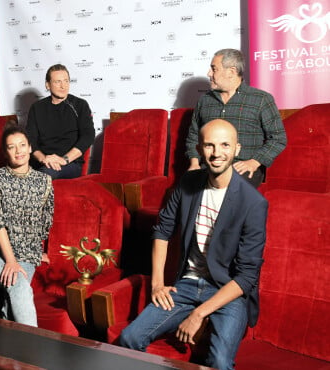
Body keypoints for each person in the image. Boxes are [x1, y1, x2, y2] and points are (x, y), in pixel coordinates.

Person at [119, 119, 268, 370]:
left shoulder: (253, 203)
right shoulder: (188, 183)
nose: (217, 153)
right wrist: (157, 285)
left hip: (227, 290)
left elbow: (246, 277)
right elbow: (162, 231)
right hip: (186, 285)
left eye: (224, 145)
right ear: (199, 150)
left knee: (220, 362)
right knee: (128, 339)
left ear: (237, 149)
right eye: (209, 145)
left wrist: (198, 314)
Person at [0, 124, 54, 326]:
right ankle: (35, 348)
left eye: (22, 145)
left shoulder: (44, 181)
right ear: (5, 151)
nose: (18, 151)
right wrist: (10, 260)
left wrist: (35, 251)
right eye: (11, 147)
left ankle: (9, 351)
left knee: (11, 297)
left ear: (30, 148)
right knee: (19, 286)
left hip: (26, 251)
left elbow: (43, 220)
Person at [185, 48, 287, 188]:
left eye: (214, 69)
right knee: (185, 194)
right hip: (208, 168)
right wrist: (194, 164)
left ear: (231, 72)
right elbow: (193, 136)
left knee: (227, 194)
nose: (209, 74)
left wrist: (254, 162)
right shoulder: (204, 101)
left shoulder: (261, 99)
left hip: (242, 168)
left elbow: (278, 138)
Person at [26, 64, 95, 179]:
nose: (63, 86)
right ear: (47, 85)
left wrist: (64, 159)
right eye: (58, 82)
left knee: (42, 177)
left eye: (66, 81)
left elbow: (88, 136)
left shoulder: (80, 105)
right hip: (41, 162)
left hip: (70, 164)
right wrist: (44, 159)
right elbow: (30, 140)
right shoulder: (37, 108)